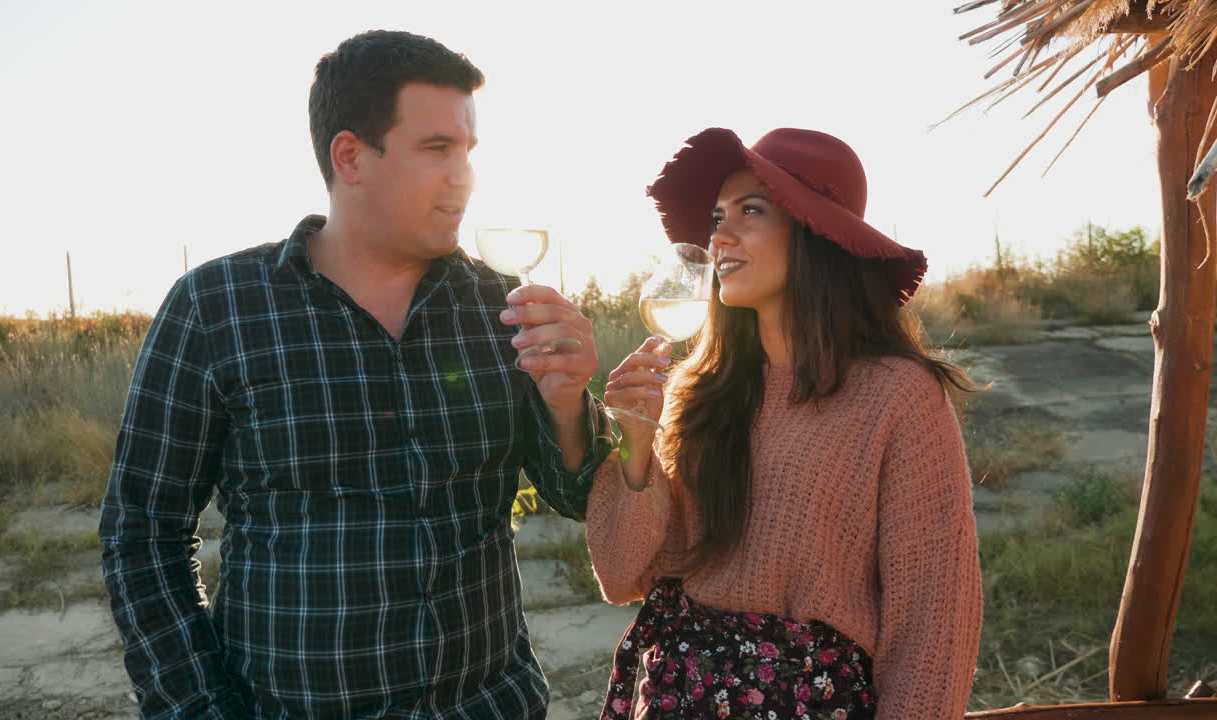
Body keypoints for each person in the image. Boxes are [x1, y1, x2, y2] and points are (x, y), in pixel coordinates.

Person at [99, 30, 611, 719]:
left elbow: (574, 492)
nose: (463, 174)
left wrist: (570, 404)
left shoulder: (501, 305)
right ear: (351, 157)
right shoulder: (216, 307)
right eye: (437, 148)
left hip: (488, 705)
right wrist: (197, 707)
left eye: (467, 151)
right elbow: (142, 530)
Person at [586, 127, 982, 720]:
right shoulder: (699, 388)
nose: (720, 235)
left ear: (818, 233)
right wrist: (637, 448)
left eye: (751, 210)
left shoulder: (898, 397)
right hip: (675, 694)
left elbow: (933, 621)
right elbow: (624, 578)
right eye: (718, 217)